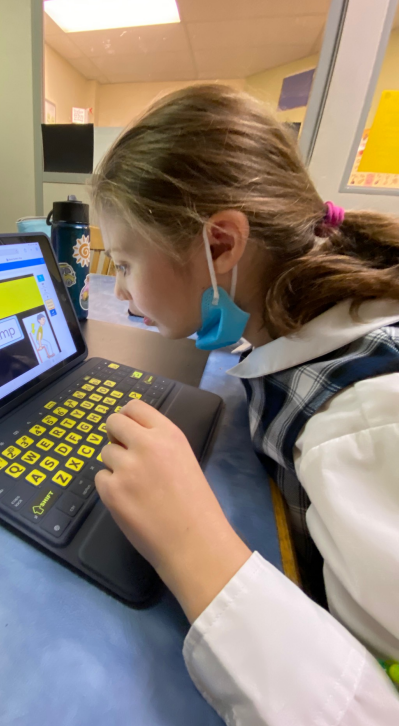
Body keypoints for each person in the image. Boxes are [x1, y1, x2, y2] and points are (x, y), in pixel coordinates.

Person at [90, 84, 399, 725]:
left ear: (222, 244)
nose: (119, 289)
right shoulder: (309, 313)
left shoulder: (367, 424)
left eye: (123, 260)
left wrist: (194, 544)